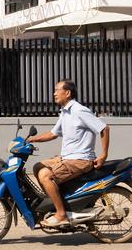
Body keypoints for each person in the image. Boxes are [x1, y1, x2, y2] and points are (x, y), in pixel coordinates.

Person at [26, 79, 110, 228]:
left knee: (45, 175)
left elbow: (104, 128)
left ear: (68, 93)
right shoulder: (65, 112)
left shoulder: (78, 110)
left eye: (57, 90)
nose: (54, 93)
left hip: (80, 159)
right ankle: (54, 199)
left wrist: (103, 155)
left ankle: (61, 214)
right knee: (38, 166)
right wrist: (31, 140)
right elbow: (53, 134)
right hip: (68, 158)